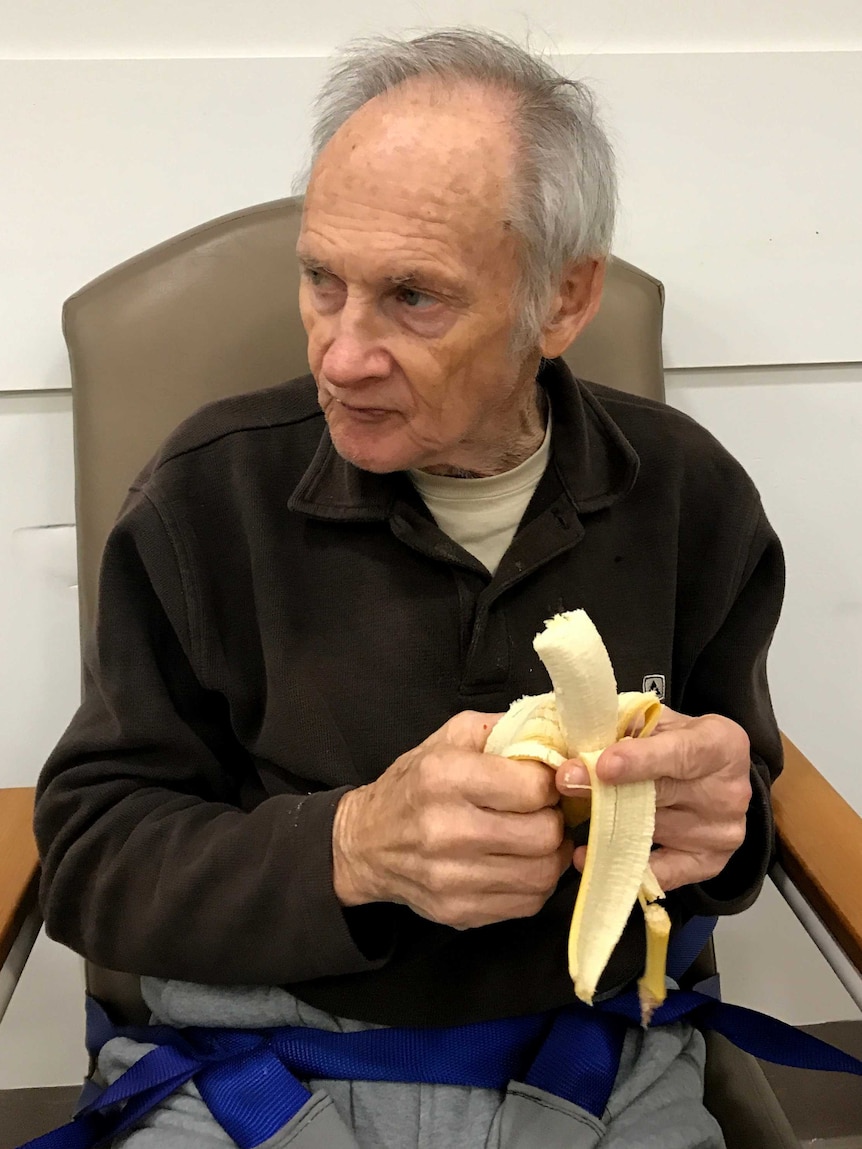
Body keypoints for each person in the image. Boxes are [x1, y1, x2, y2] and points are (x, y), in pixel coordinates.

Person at [34, 27, 783, 1149]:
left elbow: (741, 810)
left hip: (584, 1061)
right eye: (321, 281)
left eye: (413, 299)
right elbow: (93, 861)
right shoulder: (206, 499)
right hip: (257, 1066)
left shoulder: (688, 498)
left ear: (562, 301)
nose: (341, 355)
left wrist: (724, 822)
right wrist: (352, 847)